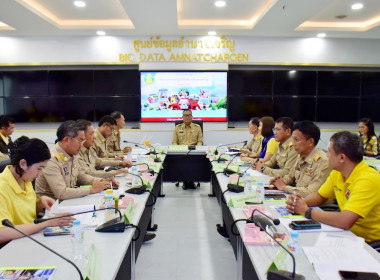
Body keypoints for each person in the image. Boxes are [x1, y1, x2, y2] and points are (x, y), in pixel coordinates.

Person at [286, 131, 380, 243]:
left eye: (329, 152)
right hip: (344, 234)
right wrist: (298, 203)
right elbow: (320, 196)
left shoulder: (367, 179)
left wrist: (306, 211)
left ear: (341, 158)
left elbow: (345, 221)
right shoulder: (338, 172)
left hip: (368, 243)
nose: (326, 155)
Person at [0, 136, 74, 245]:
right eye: (39, 168)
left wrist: (39, 204)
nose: (40, 173)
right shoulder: (2, 188)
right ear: (23, 164)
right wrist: (46, 223)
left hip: (29, 241)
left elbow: (23, 216)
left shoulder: (25, 180)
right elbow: (2, 233)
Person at [35, 121, 110, 200]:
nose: (81, 145)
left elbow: (80, 176)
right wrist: (91, 190)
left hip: (68, 202)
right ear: (67, 140)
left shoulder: (72, 154)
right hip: (51, 208)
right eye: (80, 141)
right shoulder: (51, 160)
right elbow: (61, 193)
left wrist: (102, 181)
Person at [270, 120, 330, 197]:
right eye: (292, 139)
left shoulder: (323, 162)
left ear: (310, 142)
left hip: (316, 206)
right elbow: (290, 176)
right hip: (298, 198)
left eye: (297, 140)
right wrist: (279, 181)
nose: (293, 143)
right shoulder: (301, 155)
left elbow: (311, 192)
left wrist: (284, 188)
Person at [172, 109, 203, 189]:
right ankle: (185, 181)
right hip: (181, 152)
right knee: (183, 160)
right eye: (185, 115)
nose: (187, 117)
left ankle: (192, 181)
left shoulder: (197, 127)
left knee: (192, 160)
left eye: (189, 115)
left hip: (194, 151)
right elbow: (174, 142)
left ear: (192, 117)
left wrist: (197, 150)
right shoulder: (177, 128)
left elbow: (200, 141)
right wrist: (177, 150)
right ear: (182, 117)